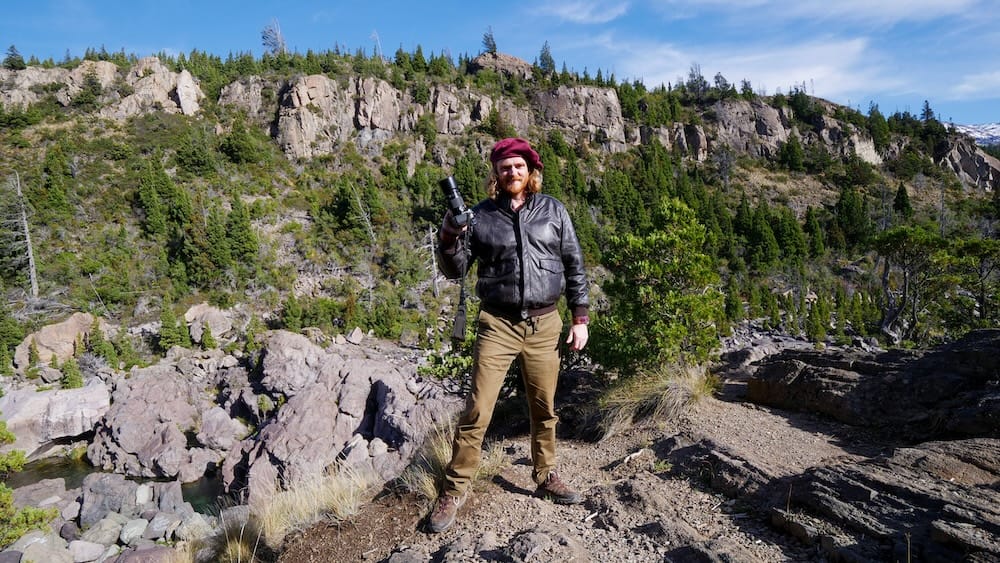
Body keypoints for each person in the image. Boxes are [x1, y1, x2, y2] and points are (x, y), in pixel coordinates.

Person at [428, 137, 590, 533]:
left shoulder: (554, 210)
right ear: (496, 175)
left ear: (530, 170)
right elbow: (455, 270)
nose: (512, 173)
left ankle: (546, 474)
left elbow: (574, 263)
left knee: (544, 406)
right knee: (478, 409)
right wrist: (449, 236)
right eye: (504, 167)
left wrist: (580, 316)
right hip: (497, 324)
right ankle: (454, 489)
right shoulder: (480, 217)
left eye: (518, 166)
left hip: (545, 323)